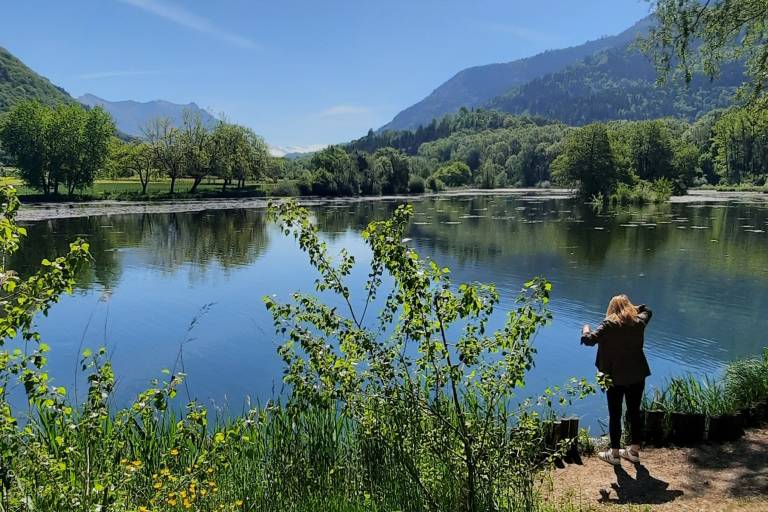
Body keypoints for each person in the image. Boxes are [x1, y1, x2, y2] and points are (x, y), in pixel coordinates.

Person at [581, 295, 652, 466]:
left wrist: (585, 329)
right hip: (637, 375)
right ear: (629, 307)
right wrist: (634, 307)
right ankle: (633, 452)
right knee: (634, 412)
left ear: (611, 309)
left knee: (615, 414)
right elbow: (647, 310)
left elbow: (588, 341)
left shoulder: (609, 325)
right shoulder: (639, 322)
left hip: (614, 376)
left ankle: (614, 454)